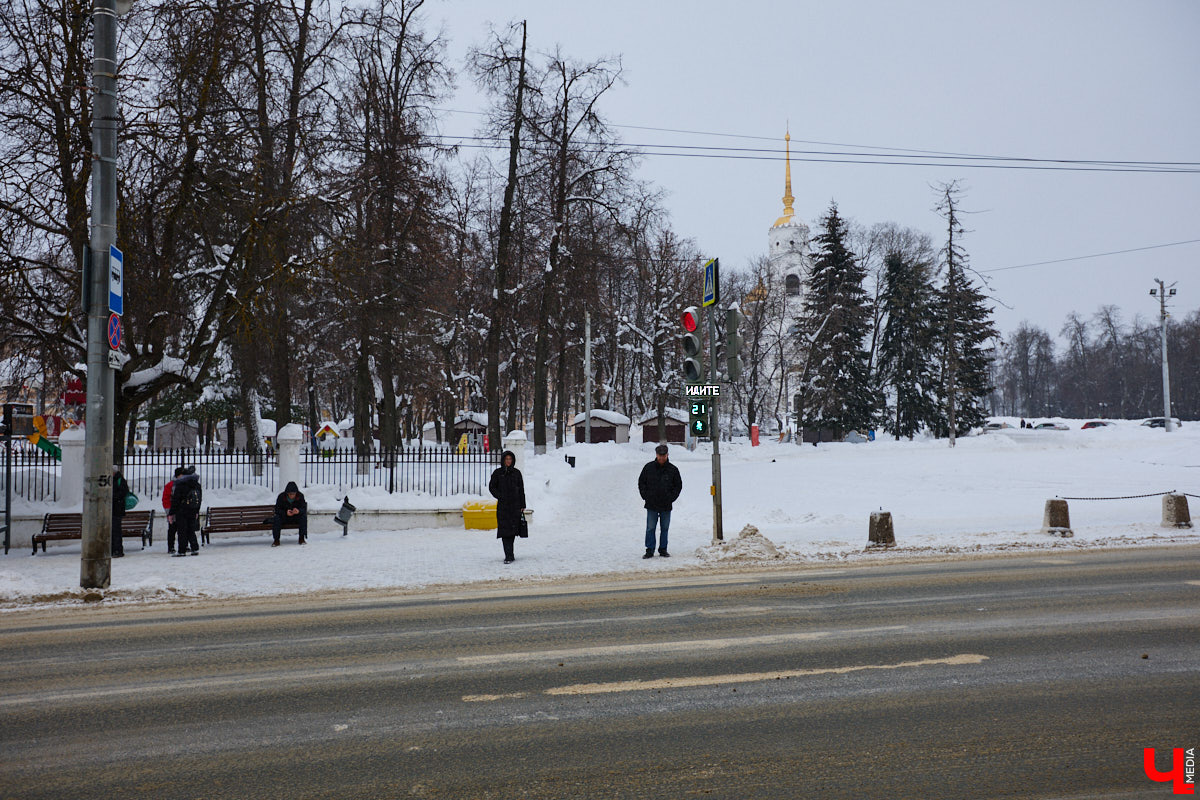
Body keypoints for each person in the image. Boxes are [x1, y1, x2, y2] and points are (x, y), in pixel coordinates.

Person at [638, 444, 682, 558]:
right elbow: (641, 482)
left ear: (667, 455)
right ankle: (649, 550)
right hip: (651, 503)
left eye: (664, 455)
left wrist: (671, 498)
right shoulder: (648, 468)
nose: (661, 458)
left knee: (665, 528)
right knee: (650, 528)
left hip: (666, 504)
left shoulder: (673, 470)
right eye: (659, 455)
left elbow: (678, 485)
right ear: (656, 455)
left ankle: (663, 549)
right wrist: (645, 496)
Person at [488, 450, 526, 564]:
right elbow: (492, 487)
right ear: (503, 460)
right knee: (505, 531)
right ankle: (508, 555)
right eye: (506, 459)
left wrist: (522, 505)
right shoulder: (498, 473)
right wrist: (500, 496)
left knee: (513, 530)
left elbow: (521, 490)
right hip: (503, 507)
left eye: (510, 459)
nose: (508, 461)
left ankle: (511, 554)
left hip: (515, 506)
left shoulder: (517, 473)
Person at [170, 466, 202, 556]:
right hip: (192, 509)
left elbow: (175, 500)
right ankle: (194, 548)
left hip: (182, 510)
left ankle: (182, 550)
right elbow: (199, 498)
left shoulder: (180, 484)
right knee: (191, 529)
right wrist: (197, 510)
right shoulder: (196, 484)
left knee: (182, 530)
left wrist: (171, 513)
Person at [272, 481, 308, 546]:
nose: (292, 496)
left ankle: (301, 538)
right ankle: (276, 540)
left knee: (303, 517)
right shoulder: (281, 496)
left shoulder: (300, 496)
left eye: (293, 494)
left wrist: (298, 511)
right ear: (287, 493)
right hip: (284, 517)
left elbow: (303, 508)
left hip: (295, 517)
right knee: (277, 518)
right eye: (290, 494)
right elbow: (277, 509)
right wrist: (285, 512)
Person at [162, 467, 185, 554]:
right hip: (173, 510)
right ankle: (171, 547)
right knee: (172, 529)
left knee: (181, 530)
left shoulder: (182, 484)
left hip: (181, 510)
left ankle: (182, 545)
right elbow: (166, 499)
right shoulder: (170, 485)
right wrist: (169, 512)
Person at [111, 464, 129, 558]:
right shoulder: (112, 480)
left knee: (116, 530)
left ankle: (117, 549)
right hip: (114, 508)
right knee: (112, 530)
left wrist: (112, 496)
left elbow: (123, 492)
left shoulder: (120, 480)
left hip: (116, 509)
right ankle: (113, 549)